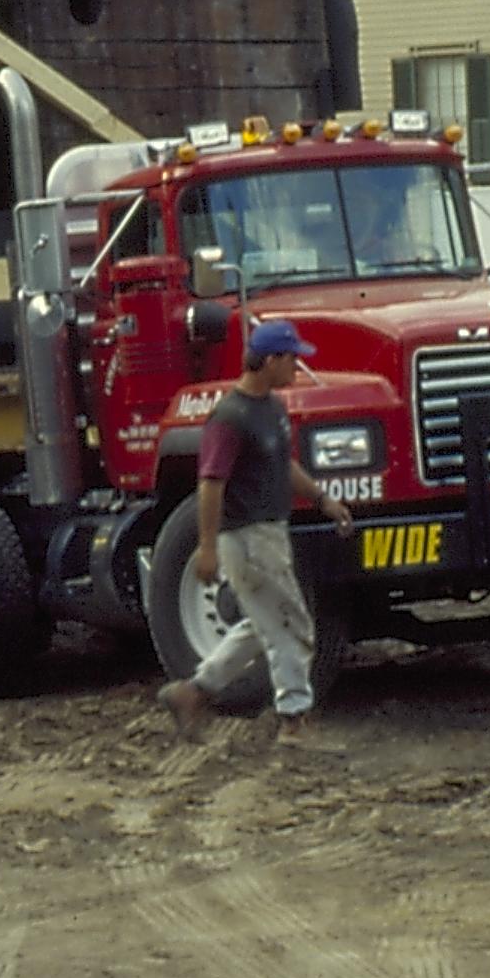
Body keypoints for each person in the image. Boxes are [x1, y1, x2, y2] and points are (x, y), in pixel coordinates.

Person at [159, 319, 358, 745]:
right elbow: (211, 484)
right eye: (293, 359)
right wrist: (208, 548)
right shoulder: (230, 418)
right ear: (270, 360)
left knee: (263, 622)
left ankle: (194, 691)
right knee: (291, 624)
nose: (297, 368)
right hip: (247, 539)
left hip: (268, 534)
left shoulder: (270, 409)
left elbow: (281, 466)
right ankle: (294, 719)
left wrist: (323, 499)